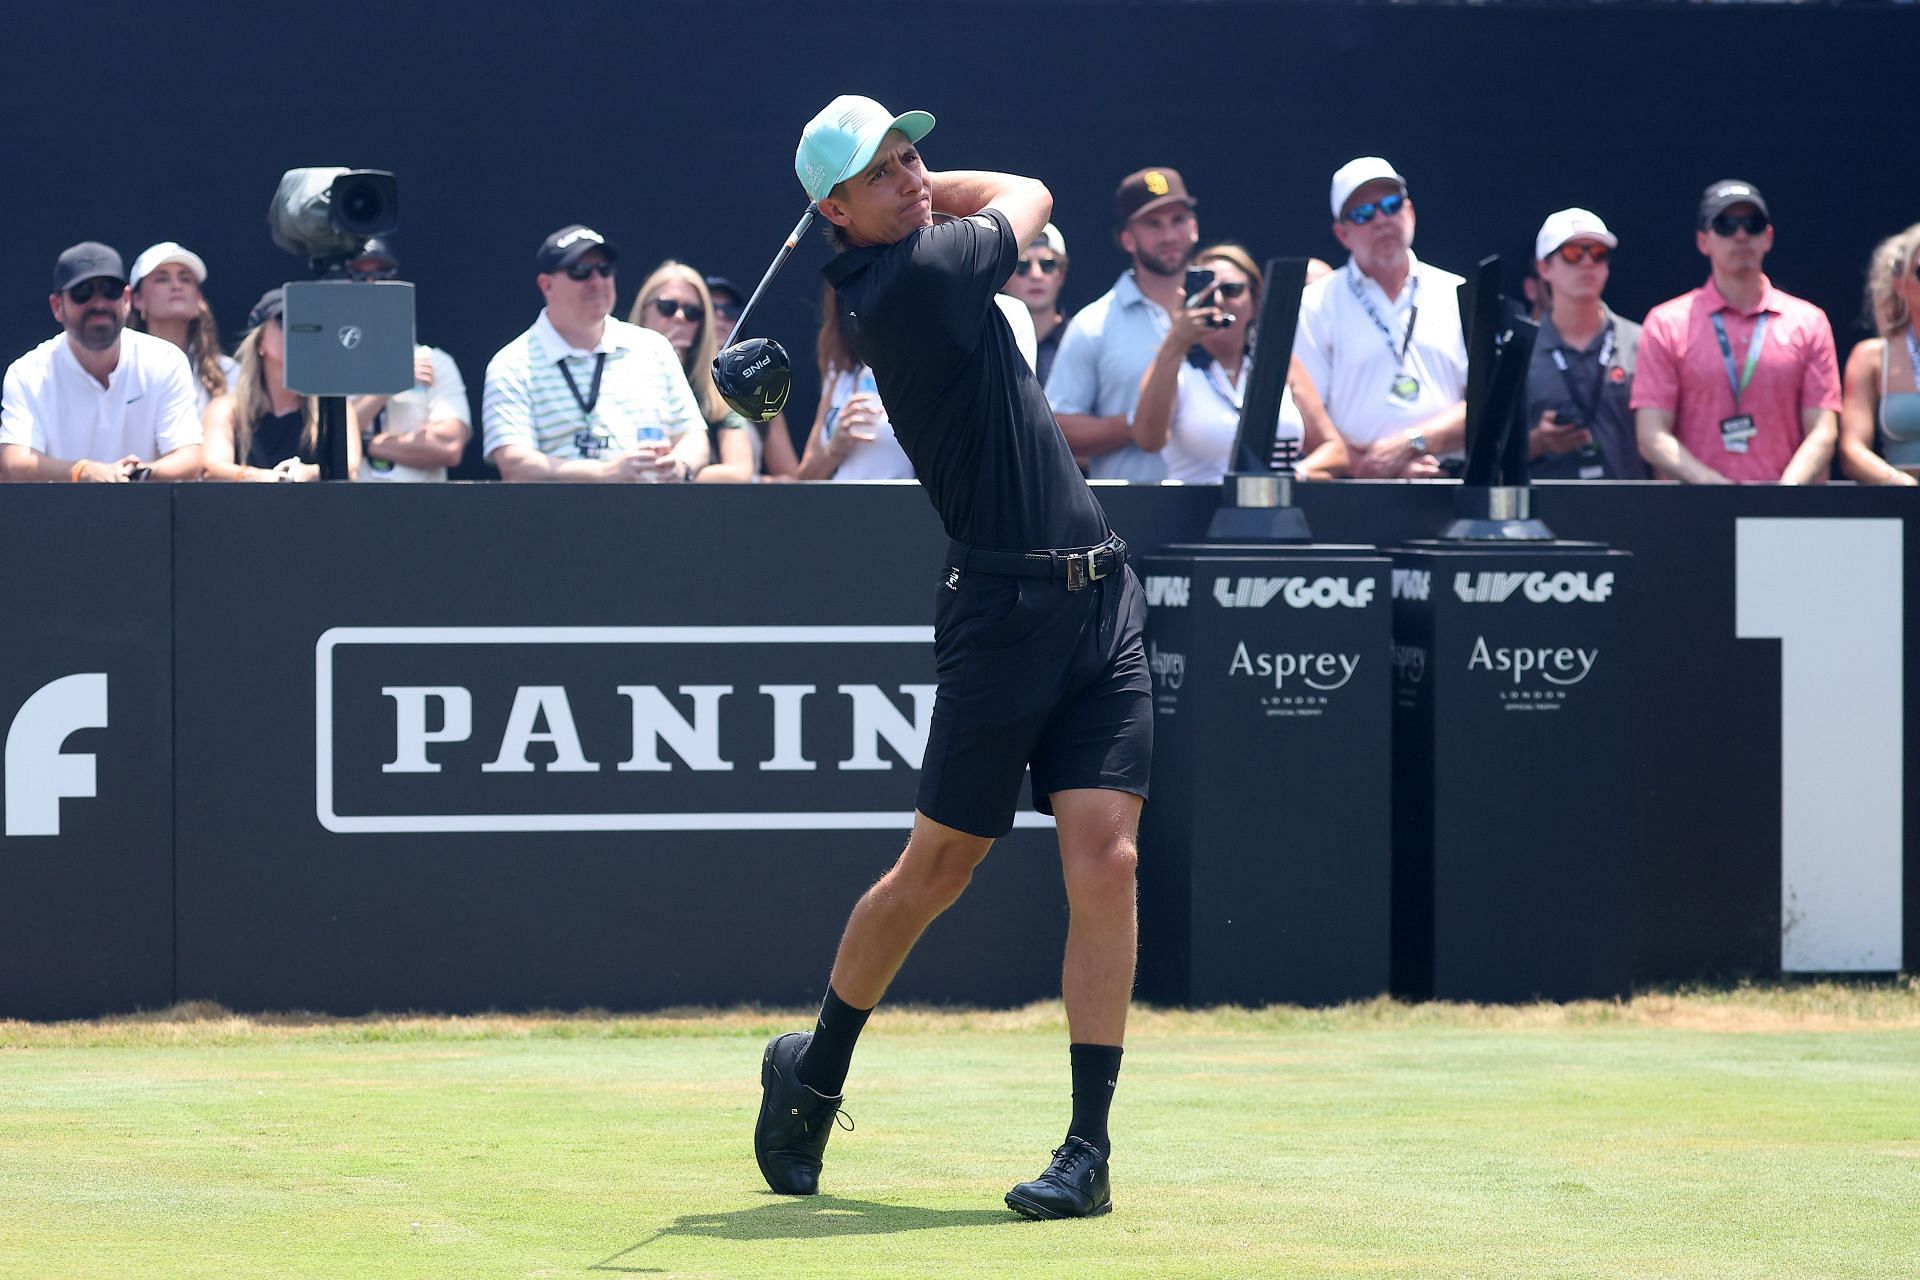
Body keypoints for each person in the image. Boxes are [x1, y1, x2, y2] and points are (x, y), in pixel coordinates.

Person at [757, 95, 1149, 1222]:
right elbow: (1031, 191)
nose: (914, 179)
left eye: (913, 155)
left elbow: (977, 197)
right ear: (833, 212)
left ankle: (1087, 1147)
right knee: (938, 868)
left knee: (1109, 861)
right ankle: (816, 1066)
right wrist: (937, 190)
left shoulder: (905, 244)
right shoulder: (912, 280)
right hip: (1001, 611)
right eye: (880, 175)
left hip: (1101, 596)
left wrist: (900, 180)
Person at [1632, 180, 1840, 484]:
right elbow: (1651, 434)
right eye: (1726, 225)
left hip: (1786, 512)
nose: (1741, 235)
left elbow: (1823, 429)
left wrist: (1786, 491)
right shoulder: (1666, 323)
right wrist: (1714, 488)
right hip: (1695, 511)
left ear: (1768, 238)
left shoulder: (1809, 321)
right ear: (1703, 241)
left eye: (1752, 224)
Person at [482, 225, 707, 483]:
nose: (597, 282)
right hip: (556, 519)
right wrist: (605, 472)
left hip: (652, 516)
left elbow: (694, 436)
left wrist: (679, 466)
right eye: (580, 272)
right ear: (546, 285)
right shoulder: (512, 363)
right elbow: (515, 464)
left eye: (604, 270)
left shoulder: (653, 348)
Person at [1292, 157, 1468, 478]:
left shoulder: (1460, 293)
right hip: (1356, 494)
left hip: (1450, 482)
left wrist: (1414, 443)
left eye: (1391, 205)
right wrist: (1373, 468)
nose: (1382, 220)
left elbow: (1487, 403)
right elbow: (1306, 414)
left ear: (1410, 212)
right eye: (1363, 214)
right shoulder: (1315, 303)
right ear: (1342, 233)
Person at [1130, 243, 1347, 483]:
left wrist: (1293, 476)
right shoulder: (1173, 366)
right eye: (1208, 293)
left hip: (1275, 510)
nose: (1220, 301)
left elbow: (1334, 451)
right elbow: (1148, 440)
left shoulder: (1281, 364)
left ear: (1254, 302)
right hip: (1195, 513)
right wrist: (1175, 342)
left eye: (1232, 290)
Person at [1046, 167, 1204, 482]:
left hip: (1223, 512)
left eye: (1178, 220)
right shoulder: (1094, 324)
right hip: (1137, 515)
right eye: (1152, 224)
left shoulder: (1229, 313)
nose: (1169, 235)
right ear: (1127, 239)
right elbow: (1056, 428)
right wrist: (1141, 422)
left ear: (1194, 227)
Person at [1, 242, 202, 482]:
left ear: (126, 299)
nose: (99, 304)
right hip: (58, 517)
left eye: (110, 291)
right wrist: (83, 471)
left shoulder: (165, 361)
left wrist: (135, 475)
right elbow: (16, 462)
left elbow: (190, 457)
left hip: (145, 513)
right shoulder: (27, 373)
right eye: (82, 293)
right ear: (57, 306)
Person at [1522, 210, 1649, 480]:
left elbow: (1663, 436)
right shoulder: (1519, 350)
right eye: (1572, 253)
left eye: (1598, 253)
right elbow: (1492, 455)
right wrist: (1539, 441)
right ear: (1544, 267)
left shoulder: (1642, 342)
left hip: (1631, 512)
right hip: (1545, 514)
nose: (1588, 262)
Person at [341, 239, 473, 483]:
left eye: (382, 275)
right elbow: (325, 440)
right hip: (351, 507)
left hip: (421, 508)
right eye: (359, 275)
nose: (371, 284)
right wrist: (391, 380)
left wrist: (363, 442)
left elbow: (449, 447)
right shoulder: (330, 363)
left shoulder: (434, 361)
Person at [202, 289, 361, 482]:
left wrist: (306, 473)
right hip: (248, 509)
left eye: (305, 327)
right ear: (259, 342)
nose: (295, 334)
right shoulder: (227, 409)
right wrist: (263, 477)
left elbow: (350, 469)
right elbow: (213, 468)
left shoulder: (333, 408)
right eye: (284, 322)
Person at [629, 262, 754, 482]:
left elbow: (739, 471)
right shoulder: (614, 370)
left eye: (692, 312)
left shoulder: (719, 383)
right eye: (667, 307)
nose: (679, 317)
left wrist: (676, 472)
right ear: (644, 312)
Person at [795, 282, 916, 481]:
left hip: (897, 506)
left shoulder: (915, 373)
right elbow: (804, 478)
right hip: (840, 507)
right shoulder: (839, 374)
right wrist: (835, 447)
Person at [1837, 223, 1920, 486]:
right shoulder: (1871, 357)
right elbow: (1852, 450)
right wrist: (1900, 483)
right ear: (1900, 284)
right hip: (1904, 509)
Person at [126, 241, 238, 418]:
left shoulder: (229, 373)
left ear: (199, 298)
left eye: (185, 279)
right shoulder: (118, 371)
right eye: (162, 279)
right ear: (136, 299)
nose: (176, 286)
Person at [707, 274, 801, 480]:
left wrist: (751, 482)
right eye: (710, 309)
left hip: (747, 507)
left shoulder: (759, 387)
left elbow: (790, 479)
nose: (721, 317)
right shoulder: (676, 380)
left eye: (731, 312)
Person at [1001, 222, 1071, 385]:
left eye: (1047, 264)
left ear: (1061, 274)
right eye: (1022, 265)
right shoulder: (990, 342)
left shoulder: (1081, 338)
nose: (1036, 275)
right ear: (1002, 277)